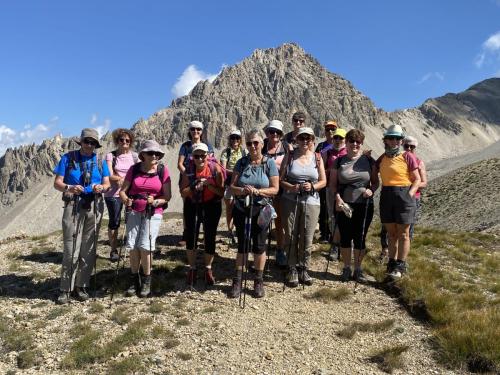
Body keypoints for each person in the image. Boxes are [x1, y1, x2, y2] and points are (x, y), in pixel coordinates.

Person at [53, 128, 110, 304]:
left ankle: (82, 285)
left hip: (94, 205)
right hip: (73, 205)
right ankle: (65, 288)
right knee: (71, 248)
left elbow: (107, 183)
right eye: (87, 141)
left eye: (93, 143)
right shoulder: (68, 158)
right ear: (81, 142)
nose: (89, 145)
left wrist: (101, 188)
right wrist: (69, 188)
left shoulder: (100, 160)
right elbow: (57, 183)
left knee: (89, 248)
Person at [229, 129, 279, 298]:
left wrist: (258, 192)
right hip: (242, 208)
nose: (252, 146)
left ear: (262, 144)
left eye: (256, 143)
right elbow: (232, 187)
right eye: (249, 143)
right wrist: (243, 190)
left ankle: (258, 280)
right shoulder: (241, 163)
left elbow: (275, 189)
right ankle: (238, 280)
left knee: (259, 246)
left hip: (261, 209)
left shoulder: (269, 163)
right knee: (243, 245)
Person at [119, 140, 171, 297]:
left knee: (145, 246)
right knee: (133, 246)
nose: (154, 156)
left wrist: (154, 201)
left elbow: (167, 196)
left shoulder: (163, 170)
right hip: (134, 209)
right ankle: (134, 279)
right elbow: (123, 191)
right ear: (143, 155)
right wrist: (126, 200)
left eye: (157, 153)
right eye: (150, 153)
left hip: (153, 211)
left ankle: (146, 280)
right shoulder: (134, 169)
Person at [330, 129, 379, 282]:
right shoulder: (339, 161)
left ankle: (358, 269)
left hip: (364, 205)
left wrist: (371, 190)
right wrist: (338, 198)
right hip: (344, 204)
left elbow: (376, 182)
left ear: (361, 143)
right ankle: (346, 268)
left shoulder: (369, 161)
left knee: (360, 237)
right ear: (347, 142)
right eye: (352, 141)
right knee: (345, 237)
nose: (355, 144)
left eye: (358, 141)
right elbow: (333, 185)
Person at [280, 127, 326, 287]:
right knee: (291, 234)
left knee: (307, 236)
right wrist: (291, 187)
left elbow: (323, 181)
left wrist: (312, 186)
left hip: (312, 201)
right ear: (297, 140)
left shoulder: (318, 157)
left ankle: (303, 267)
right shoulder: (290, 156)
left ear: (313, 140)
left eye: (308, 138)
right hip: (290, 199)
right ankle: (292, 267)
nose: (305, 141)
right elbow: (280, 179)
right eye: (301, 138)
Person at [376, 125, 421, 279]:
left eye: (397, 138)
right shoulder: (382, 158)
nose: (394, 141)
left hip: (404, 194)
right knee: (391, 233)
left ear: (401, 140)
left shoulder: (407, 156)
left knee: (404, 234)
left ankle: (400, 265)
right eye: (391, 138)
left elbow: (417, 179)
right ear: (386, 140)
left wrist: (409, 194)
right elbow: (373, 170)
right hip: (387, 194)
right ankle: (392, 263)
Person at [180, 143, 224, 287]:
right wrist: (194, 185)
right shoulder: (189, 170)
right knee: (191, 235)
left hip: (212, 204)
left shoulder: (215, 169)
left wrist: (207, 185)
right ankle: (192, 268)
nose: (200, 159)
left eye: (202, 156)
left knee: (210, 236)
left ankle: (208, 269)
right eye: (196, 156)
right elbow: (183, 192)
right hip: (192, 203)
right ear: (192, 157)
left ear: (207, 156)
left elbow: (221, 192)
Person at [379, 136, 427, 261]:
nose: (409, 148)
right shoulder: (395, 157)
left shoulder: (418, 161)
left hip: (411, 198)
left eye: (412, 147)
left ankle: (402, 260)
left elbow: (423, 182)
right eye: (407, 146)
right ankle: (387, 253)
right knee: (389, 229)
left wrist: (407, 191)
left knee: (406, 231)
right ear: (403, 146)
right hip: (394, 196)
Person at [177, 120, 214, 246]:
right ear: (189, 131)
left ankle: (204, 233)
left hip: (204, 179)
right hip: (187, 179)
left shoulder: (207, 145)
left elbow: (211, 162)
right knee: (187, 204)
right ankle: (187, 233)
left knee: (205, 204)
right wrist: (189, 175)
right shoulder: (185, 146)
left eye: (198, 129)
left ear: (202, 131)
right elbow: (180, 164)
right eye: (193, 129)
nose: (195, 131)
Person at [104, 128, 138, 262]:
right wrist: (119, 179)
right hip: (113, 194)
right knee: (115, 222)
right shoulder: (111, 156)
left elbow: (138, 172)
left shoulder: (135, 156)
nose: (125, 142)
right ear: (117, 141)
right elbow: (109, 175)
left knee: (132, 220)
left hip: (130, 193)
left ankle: (131, 248)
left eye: (127, 140)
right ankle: (113, 251)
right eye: (121, 140)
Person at [262, 120, 287, 267]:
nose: (274, 135)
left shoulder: (286, 147)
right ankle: (261, 252)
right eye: (272, 132)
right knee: (263, 221)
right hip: (264, 188)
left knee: (279, 221)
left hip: (280, 188)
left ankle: (280, 250)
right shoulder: (262, 146)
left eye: (277, 132)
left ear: (281, 134)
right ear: (267, 133)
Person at [324, 128, 348, 260]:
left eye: (341, 138)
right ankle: (335, 244)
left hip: (346, 189)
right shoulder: (328, 152)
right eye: (336, 138)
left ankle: (344, 244)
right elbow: (322, 168)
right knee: (333, 216)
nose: (338, 140)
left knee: (345, 215)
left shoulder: (348, 151)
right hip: (331, 188)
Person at [220, 129, 247, 244]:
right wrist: (236, 172)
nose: (235, 140)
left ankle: (240, 230)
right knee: (230, 208)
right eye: (233, 138)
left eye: (237, 138)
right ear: (229, 139)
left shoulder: (244, 151)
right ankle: (230, 231)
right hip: (229, 183)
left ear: (240, 139)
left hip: (241, 183)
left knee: (242, 207)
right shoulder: (226, 152)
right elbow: (223, 169)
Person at [315, 120, 339, 243]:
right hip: (324, 181)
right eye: (327, 129)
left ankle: (336, 234)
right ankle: (325, 233)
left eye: (332, 129)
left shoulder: (341, 145)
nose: (330, 131)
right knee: (324, 207)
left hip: (337, 183)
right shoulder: (320, 146)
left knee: (336, 208)